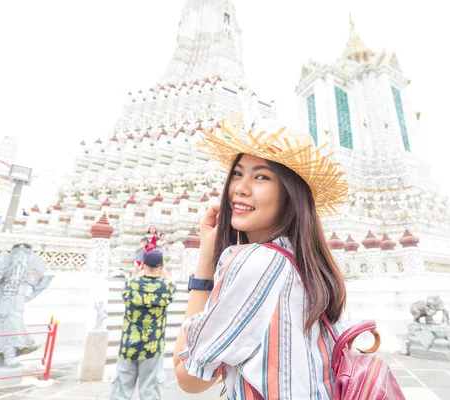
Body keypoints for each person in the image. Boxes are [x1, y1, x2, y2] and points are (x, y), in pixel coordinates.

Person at [173, 119, 348, 399]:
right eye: (238, 174)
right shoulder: (303, 263)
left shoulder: (258, 262)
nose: (240, 188)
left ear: (290, 195)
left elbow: (188, 377)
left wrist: (204, 265)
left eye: (261, 176)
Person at [111, 250, 176, 400]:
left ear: (143, 265)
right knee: (150, 391)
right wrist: (163, 272)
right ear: (161, 266)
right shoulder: (166, 288)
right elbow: (172, 283)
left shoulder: (131, 285)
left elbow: (133, 280)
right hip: (152, 346)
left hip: (128, 345)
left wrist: (140, 272)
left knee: (121, 390)